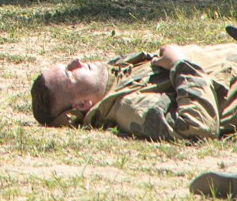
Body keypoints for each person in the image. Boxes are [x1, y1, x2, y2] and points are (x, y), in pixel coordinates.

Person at [31, 38, 237, 141]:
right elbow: (196, 127)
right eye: (70, 73)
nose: (76, 61)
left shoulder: (115, 77)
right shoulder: (129, 106)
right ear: (82, 104)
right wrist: (180, 64)